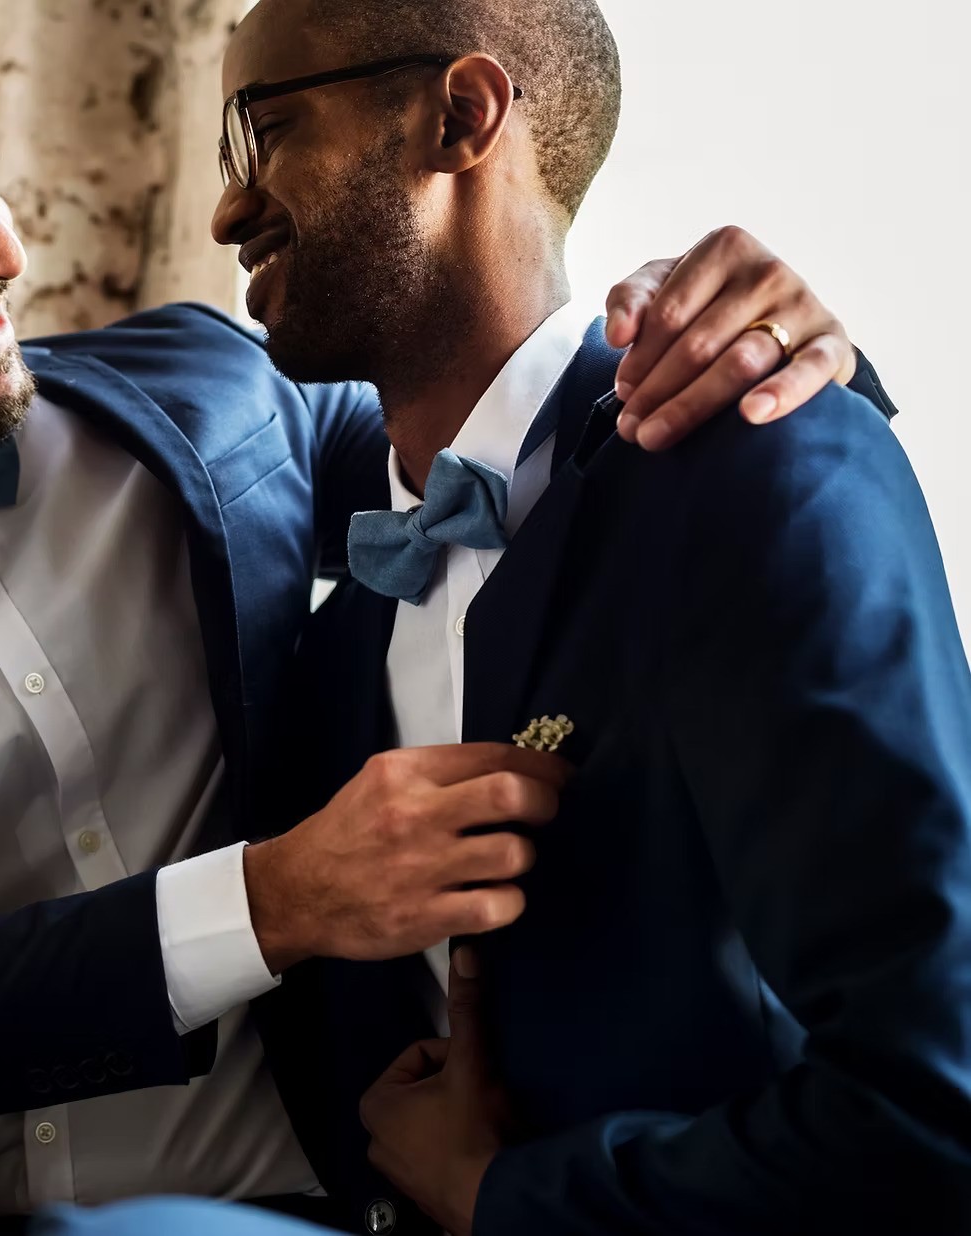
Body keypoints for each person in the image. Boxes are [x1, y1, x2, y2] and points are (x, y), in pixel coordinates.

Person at [0, 2, 899, 1234]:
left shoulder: (210, 396)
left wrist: (741, 346)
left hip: (323, 1199)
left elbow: (510, 433)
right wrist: (277, 899)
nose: (4, 250)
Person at [201, 0, 971, 1232]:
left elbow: (936, 1106)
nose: (227, 209)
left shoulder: (764, 463)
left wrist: (507, 1199)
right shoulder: (333, 647)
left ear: (461, 117)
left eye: (266, 130)